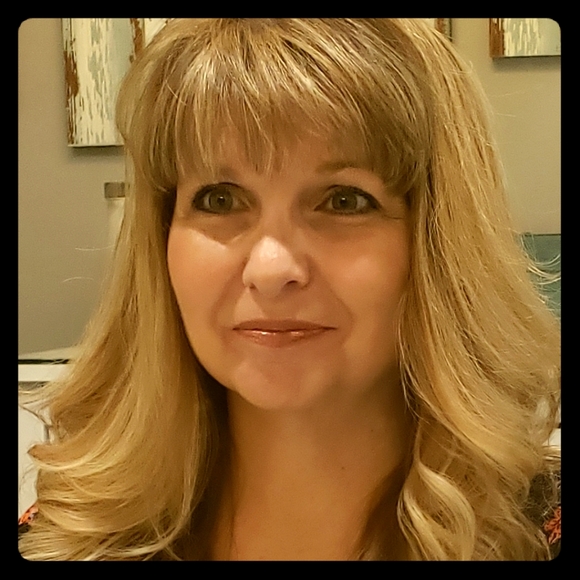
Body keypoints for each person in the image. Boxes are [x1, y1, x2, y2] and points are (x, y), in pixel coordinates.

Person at [18, 18, 560, 560]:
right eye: (220, 199)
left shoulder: (536, 536)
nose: (271, 268)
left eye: (344, 200)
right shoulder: (66, 537)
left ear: (440, 242)